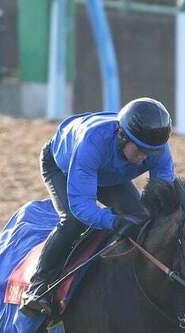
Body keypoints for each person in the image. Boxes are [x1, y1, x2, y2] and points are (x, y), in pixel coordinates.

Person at [20, 97, 175, 318]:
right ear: (122, 135)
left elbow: (163, 198)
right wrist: (115, 221)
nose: (144, 158)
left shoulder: (158, 150)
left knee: (143, 221)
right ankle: (38, 287)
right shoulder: (92, 143)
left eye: (150, 153)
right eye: (140, 150)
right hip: (62, 167)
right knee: (73, 223)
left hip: (110, 174)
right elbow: (82, 206)